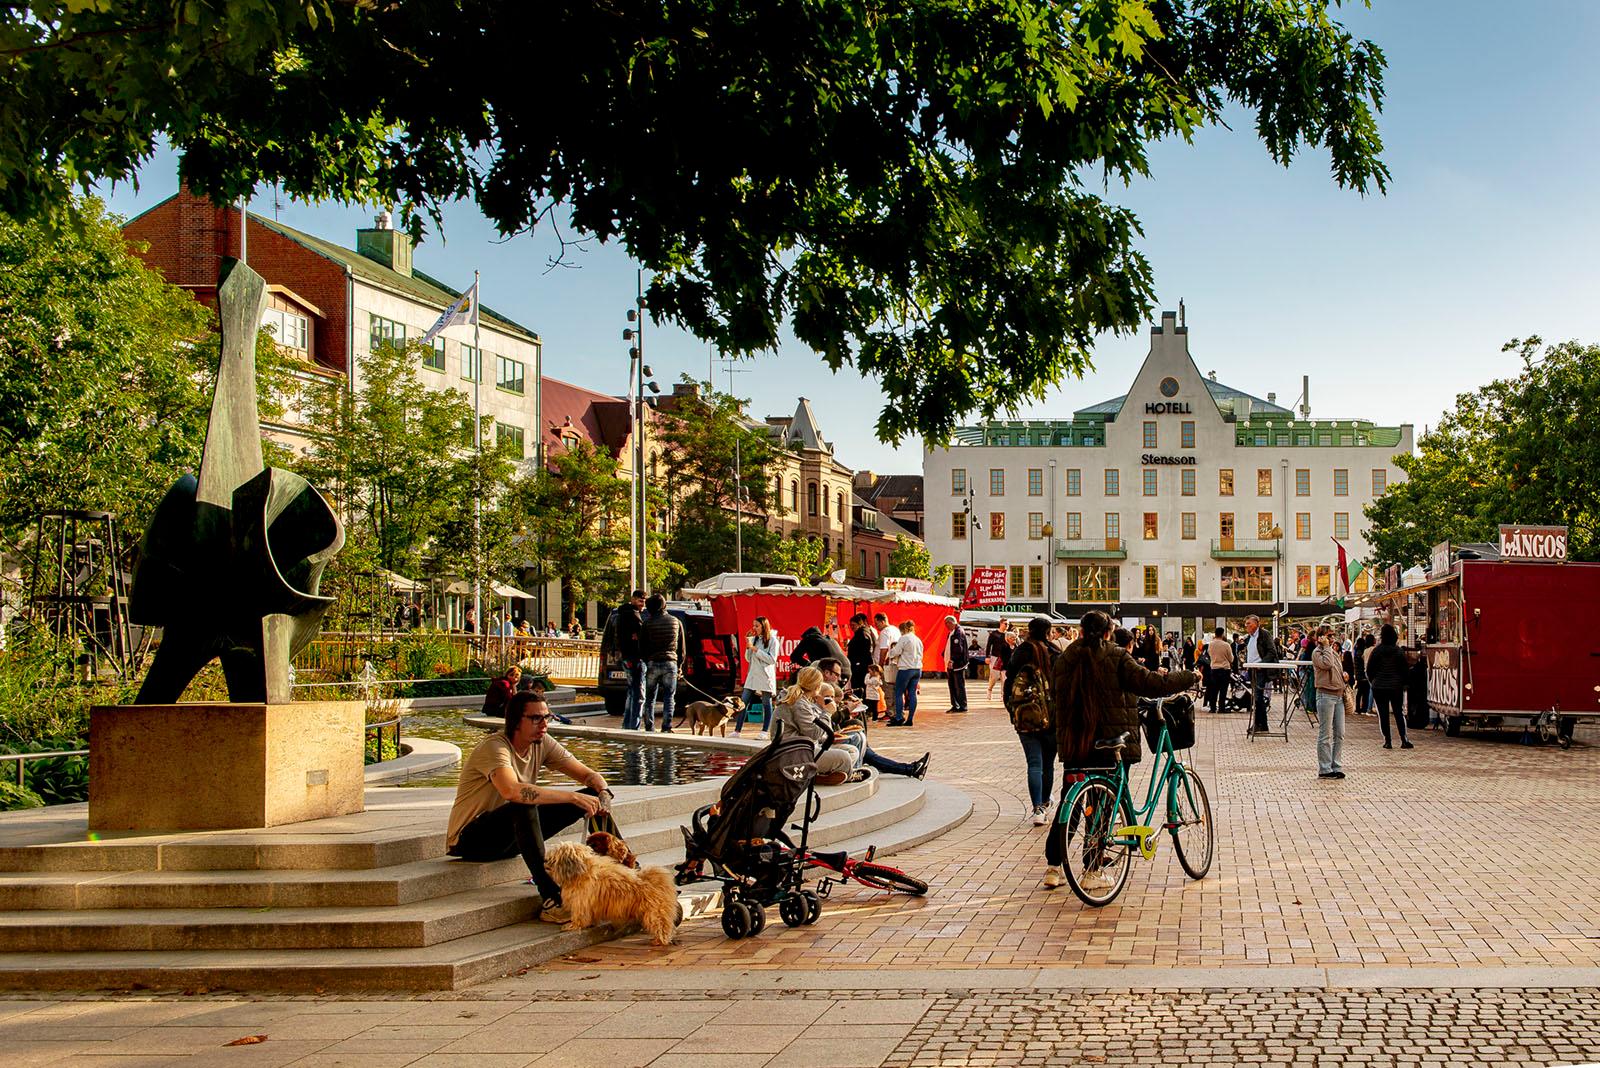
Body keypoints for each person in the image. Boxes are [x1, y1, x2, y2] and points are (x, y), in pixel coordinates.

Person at [1045, 610, 1198, 889]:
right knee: (1102, 807)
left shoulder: (1065, 658)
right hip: (1111, 741)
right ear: (1108, 632)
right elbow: (1152, 684)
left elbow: (1055, 696)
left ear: (1080, 631)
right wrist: (1189, 676)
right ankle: (1092, 870)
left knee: (1073, 803)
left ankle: (1053, 866)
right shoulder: (1115, 656)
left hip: (1075, 744)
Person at [446, 693, 610, 923]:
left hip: (512, 838)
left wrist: (603, 793)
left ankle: (617, 873)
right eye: (535, 718)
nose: (543, 724)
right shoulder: (495, 747)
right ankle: (551, 898)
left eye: (547, 717)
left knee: (591, 796)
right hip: (472, 840)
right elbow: (512, 791)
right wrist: (571, 797)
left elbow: (587, 775)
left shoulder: (542, 742)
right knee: (524, 802)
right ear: (515, 721)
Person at [815, 659, 928, 778]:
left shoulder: (824, 690)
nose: (839, 679)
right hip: (822, 741)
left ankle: (907, 768)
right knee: (863, 747)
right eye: (837, 674)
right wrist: (844, 711)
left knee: (860, 736)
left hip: (827, 735)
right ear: (826, 673)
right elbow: (820, 727)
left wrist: (843, 709)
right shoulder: (816, 696)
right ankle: (908, 769)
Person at [1006, 618, 1058, 826]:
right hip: (1051, 716)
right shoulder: (1054, 653)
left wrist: (1012, 711)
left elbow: (1009, 683)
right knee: (1048, 764)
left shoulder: (1020, 652)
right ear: (1047, 632)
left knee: (1034, 763)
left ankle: (1036, 807)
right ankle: (1044, 804)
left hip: (1025, 715)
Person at [775, 665, 860, 785]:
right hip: (796, 754)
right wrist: (828, 713)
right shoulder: (799, 703)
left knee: (852, 751)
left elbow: (816, 734)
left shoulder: (802, 700)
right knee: (845, 758)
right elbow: (814, 733)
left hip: (803, 748)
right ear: (817, 686)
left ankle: (819, 775)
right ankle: (832, 775)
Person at [638, 593, 685, 732]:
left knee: (650, 697)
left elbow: (642, 646)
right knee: (669, 697)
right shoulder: (676, 621)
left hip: (652, 662)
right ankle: (666, 726)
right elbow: (681, 648)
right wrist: (680, 665)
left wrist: (647, 660)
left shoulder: (647, 623)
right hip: (670, 663)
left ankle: (649, 726)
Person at [1366, 623, 1413, 749]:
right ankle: (1404, 739)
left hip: (1379, 687)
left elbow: (1369, 669)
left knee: (1383, 714)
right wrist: (1404, 684)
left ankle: (1388, 741)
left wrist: (1374, 681)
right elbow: (1405, 670)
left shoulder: (1376, 651)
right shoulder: (1398, 651)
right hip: (1396, 687)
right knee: (1398, 712)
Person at [1311, 625, 1348, 779]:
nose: (1332, 638)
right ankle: (1325, 768)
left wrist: (1344, 676)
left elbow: (1336, 667)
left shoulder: (1333, 651)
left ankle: (1336, 765)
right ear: (1320, 637)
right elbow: (1326, 664)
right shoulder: (1317, 652)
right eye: (1328, 635)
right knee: (1325, 733)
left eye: (1333, 635)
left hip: (1338, 694)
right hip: (1325, 695)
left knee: (1340, 733)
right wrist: (1325, 646)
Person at [737, 616, 779, 734]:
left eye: (757, 626)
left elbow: (772, 659)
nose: (754, 628)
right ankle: (737, 730)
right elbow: (748, 658)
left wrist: (756, 650)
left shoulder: (773, 640)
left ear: (764, 626)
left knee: (766, 703)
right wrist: (748, 645)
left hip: (765, 676)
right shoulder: (755, 639)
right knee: (743, 701)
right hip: (753, 675)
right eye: (754, 625)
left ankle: (765, 731)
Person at [1241, 614, 1280, 734]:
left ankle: (1260, 724)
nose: (1247, 626)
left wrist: (1261, 664)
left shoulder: (1264, 634)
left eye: (1249, 623)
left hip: (1261, 670)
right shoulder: (1249, 637)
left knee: (1258, 697)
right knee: (1256, 698)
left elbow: (1272, 651)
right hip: (1252, 669)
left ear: (1257, 624)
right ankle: (1262, 725)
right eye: (1246, 624)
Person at [615, 590, 647, 729]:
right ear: (633, 599)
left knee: (631, 692)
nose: (643, 604)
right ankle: (634, 726)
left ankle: (627, 725)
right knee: (639, 694)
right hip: (634, 658)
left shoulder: (622, 614)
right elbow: (642, 634)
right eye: (640, 601)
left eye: (644, 601)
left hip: (627, 657)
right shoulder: (633, 615)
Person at [887, 619, 924, 726]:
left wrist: (890, 653)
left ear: (903, 629)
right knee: (912, 694)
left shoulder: (904, 638)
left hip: (905, 669)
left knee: (898, 693)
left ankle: (899, 718)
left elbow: (896, 651)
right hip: (917, 669)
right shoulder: (918, 640)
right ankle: (910, 719)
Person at [943, 614, 970, 713]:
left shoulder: (958, 632)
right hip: (951, 665)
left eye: (946, 624)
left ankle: (962, 705)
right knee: (952, 685)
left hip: (957, 664)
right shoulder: (952, 632)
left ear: (950, 623)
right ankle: (955, 704)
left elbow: (958, 648)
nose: (946, 627)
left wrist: (952, 659)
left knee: (959, 685)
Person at [1205, 626, 1233, 713]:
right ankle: (1221, 708)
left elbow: (1209, 655)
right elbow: (1231, 659)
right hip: (1225, 669)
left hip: (1214, 669)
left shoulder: (1211, 644)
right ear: (1222, 634)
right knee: (1223, 690)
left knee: (1214, 689)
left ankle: (1212, 708)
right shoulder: (1226, 645)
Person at [874, 612, 902, 699]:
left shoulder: (884, 632)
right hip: (896, 663)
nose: (876, 626)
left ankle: (890, 711)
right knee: (895, 688)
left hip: (886, 665)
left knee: (888, 689)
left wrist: (880, 666)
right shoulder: (895, 629)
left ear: (882, 622)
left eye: (877, 623)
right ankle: (896, 709)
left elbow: (884, 649)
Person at [847, 615, 876, 694]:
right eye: (851, 625)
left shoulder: (862, 634)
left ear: (859, 624)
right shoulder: (863, 632)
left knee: (858, 687)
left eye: (854, 625)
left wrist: (858, 663)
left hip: (860, 667)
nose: (852, 627)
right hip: (861, 665)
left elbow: (866, 651)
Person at [984, 620, 1012, 699]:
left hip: (1006, 658)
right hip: (995, 657)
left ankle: (1003, 695)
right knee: (994, 677)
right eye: (1006, 624)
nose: (1007, 625)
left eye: (1008, 624)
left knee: (1004, 677)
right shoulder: (994, 634)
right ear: (1001, 624)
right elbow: (989, 645)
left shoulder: (1008, 635)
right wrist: (987, 656)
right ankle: (989, 689)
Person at [1352, 628, 1375, 714]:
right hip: (1362, 674)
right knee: (1365, 692)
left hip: (1359, 674)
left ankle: (1359, 708)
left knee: (1361, 692)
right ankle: (1364, 708)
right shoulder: (1362, 652)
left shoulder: (1358, 652)